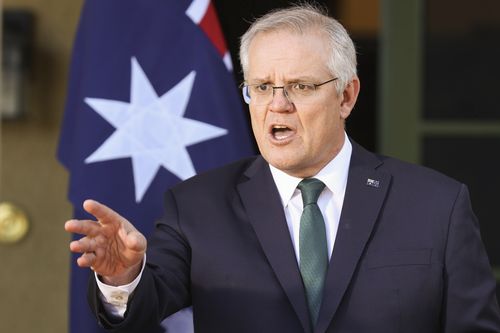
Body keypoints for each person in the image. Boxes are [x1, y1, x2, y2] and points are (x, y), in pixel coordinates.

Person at [65, 4, 500, 333]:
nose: (278, 104)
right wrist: (122, 278)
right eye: (261, 87)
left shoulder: (436, 205)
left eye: (300, 86)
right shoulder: (196, 205)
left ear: (346, 96)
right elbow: (147, 308)